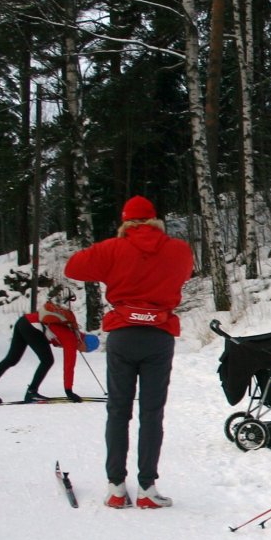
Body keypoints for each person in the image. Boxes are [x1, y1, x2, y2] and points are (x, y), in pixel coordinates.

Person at [64, 195, 194, 510]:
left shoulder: (113, 248)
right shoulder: (178, 250)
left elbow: (73, 267)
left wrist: (113, 253)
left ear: (126, 222)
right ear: (154, 221)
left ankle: (116, 488)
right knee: (152, 413)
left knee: (118, 411)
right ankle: (148, 487)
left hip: (123, 334)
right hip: (158, 337)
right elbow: (184, 273)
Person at [0, 297, 96, 404]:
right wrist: (69, 391)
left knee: (12, 359)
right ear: (85, 344)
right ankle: (31, 392)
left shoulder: (73, 333)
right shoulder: (72, 339)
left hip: (24, 322)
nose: (82, 351)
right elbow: (69, 366)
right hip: (33, 327)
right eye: (86, 350)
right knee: (47, 360)